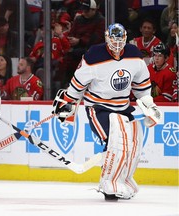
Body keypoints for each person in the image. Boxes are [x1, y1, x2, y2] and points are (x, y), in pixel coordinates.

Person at [52, 23, 162, 201]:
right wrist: (68, 102)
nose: (117, 45)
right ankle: (108, 184)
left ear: (125, 38)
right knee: (114, 141)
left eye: (120, 40)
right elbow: (78, 84)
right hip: (99, 107)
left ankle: (124, 179)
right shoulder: (94, 55)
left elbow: (141, 86)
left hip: (124, 106)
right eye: (114, 40)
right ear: (106, 38)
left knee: (133, 142)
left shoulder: (134, 55)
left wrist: (149, 105)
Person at [62, 0, 105, 86]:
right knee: (68, 56)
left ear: (94, 10)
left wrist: (79, 40)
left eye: (87, 10)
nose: (84, 12)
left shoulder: (101, 21)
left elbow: (96, 39)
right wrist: (72, 39)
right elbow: (71, 33)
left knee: (78, 54)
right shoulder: (79, 19)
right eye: (83, 10)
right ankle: (69, 84)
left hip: (92, 49)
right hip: (77, 47)